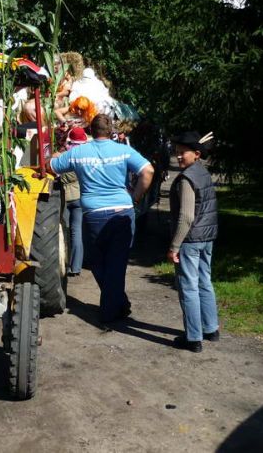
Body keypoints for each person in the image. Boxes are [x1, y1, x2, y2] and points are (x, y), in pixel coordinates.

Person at [47, 114, 155, 324]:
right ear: (111, 130)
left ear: (91, 131)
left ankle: (108, 312)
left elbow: (51, 166)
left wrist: (56, 152)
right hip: (123, 212)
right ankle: (119, 304)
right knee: (117, 262)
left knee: (98, 262)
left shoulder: (78, 153)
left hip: (94, 215)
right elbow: (148, 170)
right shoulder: (123, 151)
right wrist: (135, 197)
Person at [167, 131, 219, 353]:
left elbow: (186, 216)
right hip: (207, 238)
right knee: (204, 282)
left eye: (182, 153)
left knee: (188, 287)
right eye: (176, 152)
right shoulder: (203, 173)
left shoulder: (187, 178)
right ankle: (211, 329)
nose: (178, 157)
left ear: (196, 154)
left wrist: (174, 246)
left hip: (190, 240)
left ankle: (193, 338)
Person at [60, 127, 88, 276]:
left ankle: (64, 263)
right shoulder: (85, 156)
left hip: (65, 198)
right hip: (79, 197)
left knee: (64, 232)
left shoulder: (66, 155)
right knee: (77, 233)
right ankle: (76, 267)